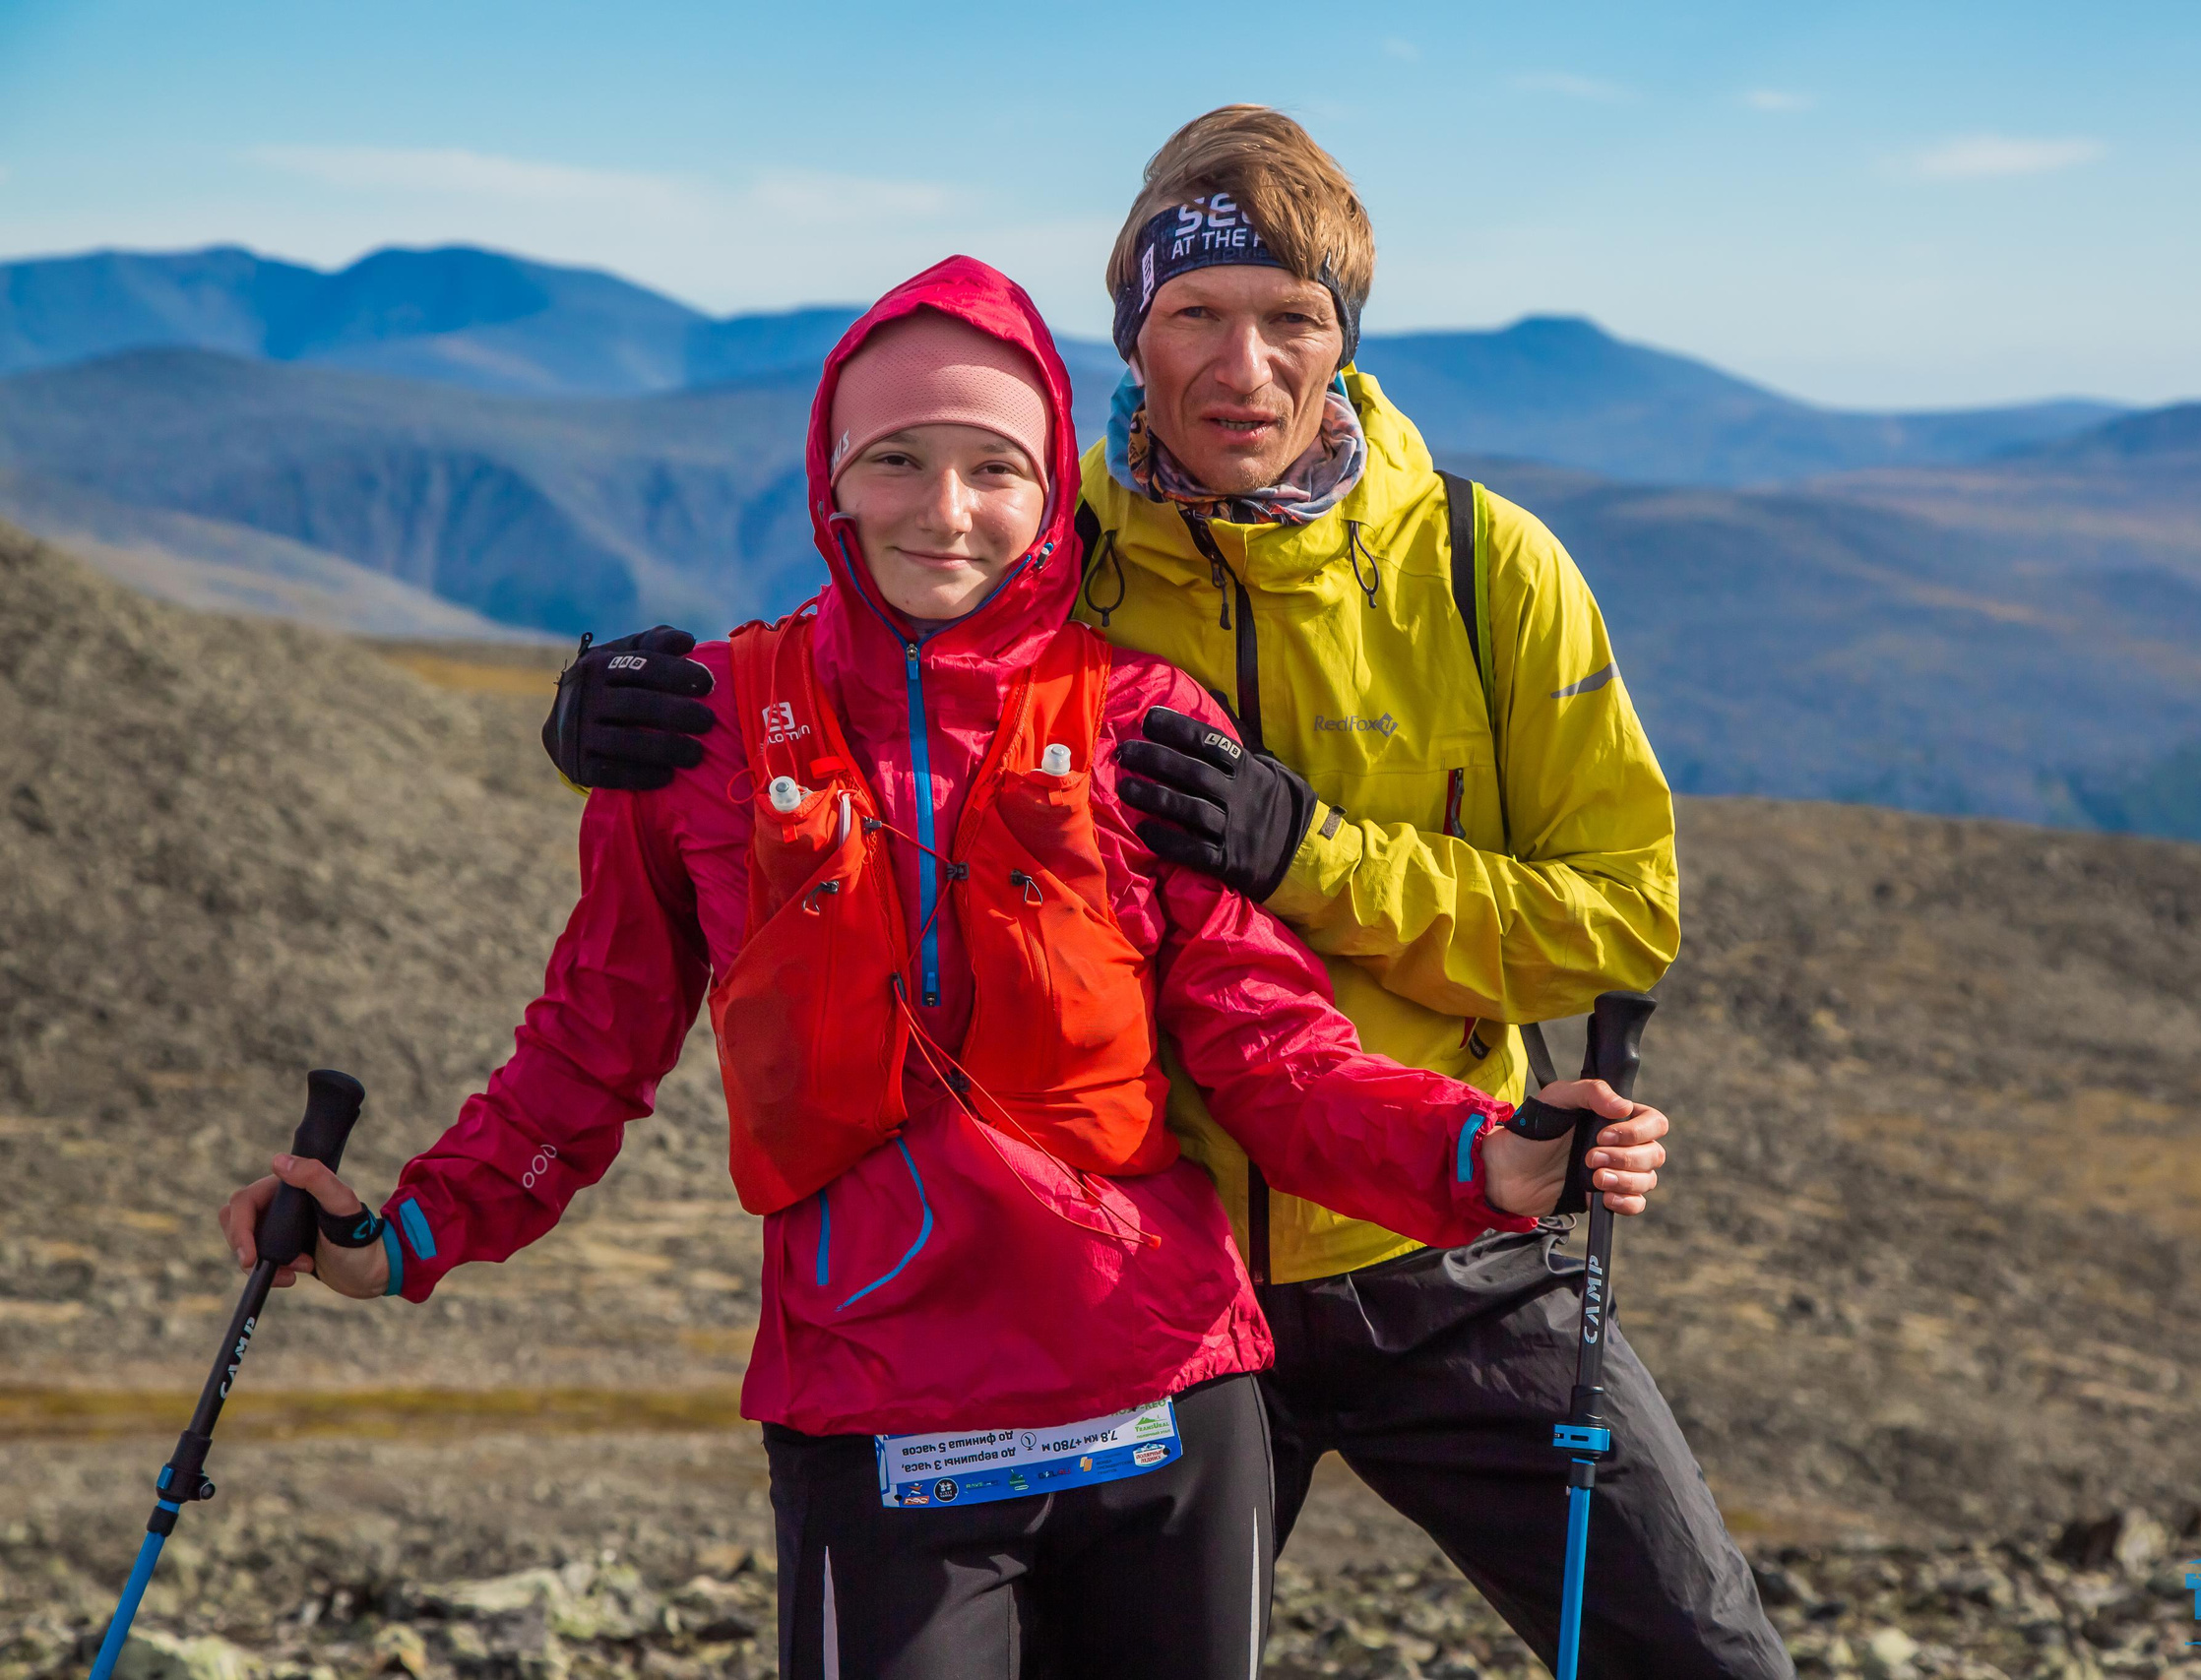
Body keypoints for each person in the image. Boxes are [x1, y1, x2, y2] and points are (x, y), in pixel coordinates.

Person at [219, 254, 1672, 1680]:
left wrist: (1489, 1158)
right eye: (898, 461)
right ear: (829, 479)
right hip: (880, 1416)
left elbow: (1269, 1046)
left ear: (1052, 496)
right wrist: (399, 1238)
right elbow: (585, 1056)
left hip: (1168, 1407)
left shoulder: (1143, 721)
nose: (947, 512)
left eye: (994, 468)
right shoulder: (700, 734)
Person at [542, 109, 1790, 1680]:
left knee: (1704, 1659)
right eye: (1195, 316)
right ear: (1134, 337)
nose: (1242, 368)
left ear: (1345, 341)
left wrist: (1312, 856)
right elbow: (879, 642)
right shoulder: (1053, 538)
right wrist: (622, 718)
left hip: (1454, 1250)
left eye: (1291, 322)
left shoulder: (1487, 566)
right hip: (1169, 1292)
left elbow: (1620, 918)